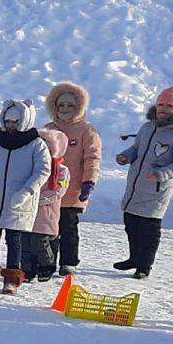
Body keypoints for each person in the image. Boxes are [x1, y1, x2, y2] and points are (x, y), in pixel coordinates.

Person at [0, 100, 51, 295]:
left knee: (14, 239)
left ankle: (12, 279)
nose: (11, 125)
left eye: (16, 121)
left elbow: (42, 171)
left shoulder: (36, 144)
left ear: (25, 120)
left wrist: (26, 191)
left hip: (19, 201)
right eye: (8, 121)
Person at [113, 86, 173, 279]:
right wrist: (125, 156)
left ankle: (144, 266)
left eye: (169, 106)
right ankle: (134, 258)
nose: (163, 108)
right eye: (161, 104)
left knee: (148, 230)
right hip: (135, 187)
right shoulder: (147, 127)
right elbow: (136, 148)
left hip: (156, 191)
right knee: (131, 224)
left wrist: (161, 174)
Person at [44, 82, 102, 277]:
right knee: (48, 227)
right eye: (62, 105)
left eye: (70, 105)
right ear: (55, 107)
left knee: (68, 227)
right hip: (50, 189)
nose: (66, 109)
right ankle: (47, 261)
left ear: (79, 107)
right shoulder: (48, 129)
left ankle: (68, 261)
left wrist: (89, 181)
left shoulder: (86, 130)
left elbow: (92, 158)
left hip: (73, 189)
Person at [25, 128, 71, 283]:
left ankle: (47, 265)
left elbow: (59, 191)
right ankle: (28, 269)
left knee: (40, 241)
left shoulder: (62, 171)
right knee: (26, 243)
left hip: (46, 212)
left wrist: (37, 199)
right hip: (27, 211)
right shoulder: (30, 167)